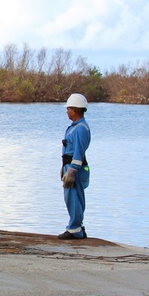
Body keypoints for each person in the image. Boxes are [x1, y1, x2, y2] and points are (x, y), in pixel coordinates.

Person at [58, 93, 91, 239]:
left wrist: (71, 170)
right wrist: (64, 167)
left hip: (75, 169)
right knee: (71, 197)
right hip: (69, 166)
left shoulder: (80, 129)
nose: (67, 111)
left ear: (75, 110)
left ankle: (75, 229)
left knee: (74, 198)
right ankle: (77, 227)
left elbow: (78, 152)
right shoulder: (75, 127)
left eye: (68, 109)